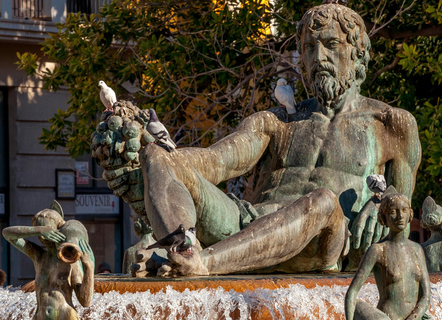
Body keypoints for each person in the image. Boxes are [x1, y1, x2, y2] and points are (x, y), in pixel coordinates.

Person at [103, 2, 421, 276]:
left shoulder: (391, 124)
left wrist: (384, 201)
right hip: (248, 228)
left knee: (324, 200)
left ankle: (202, 263)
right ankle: (180, 248)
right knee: (158, 157)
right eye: (310, 48)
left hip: (324, 244)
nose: (318, 56)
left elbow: (402, 211)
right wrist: (150, 148)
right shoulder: (278, 121)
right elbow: (215, 161)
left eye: (330, 45)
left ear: (358, 53)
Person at [2, 201, 94, 320]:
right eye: (41, 235)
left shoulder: (71, 262)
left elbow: (85, 301)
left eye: (49, 232)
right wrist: (39, 230)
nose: (43, 238)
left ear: (59, 230)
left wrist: (89, 267)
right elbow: (7, 234)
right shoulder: (39, 256)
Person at [345, 193, 430, 320]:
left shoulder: (417, 249)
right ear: (383, 217)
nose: (400, 216)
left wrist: (415, 316)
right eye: (393, 211)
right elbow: (352, 293)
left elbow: (426, 296)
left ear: (410, 215)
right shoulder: (377, 250)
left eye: (404, 210)